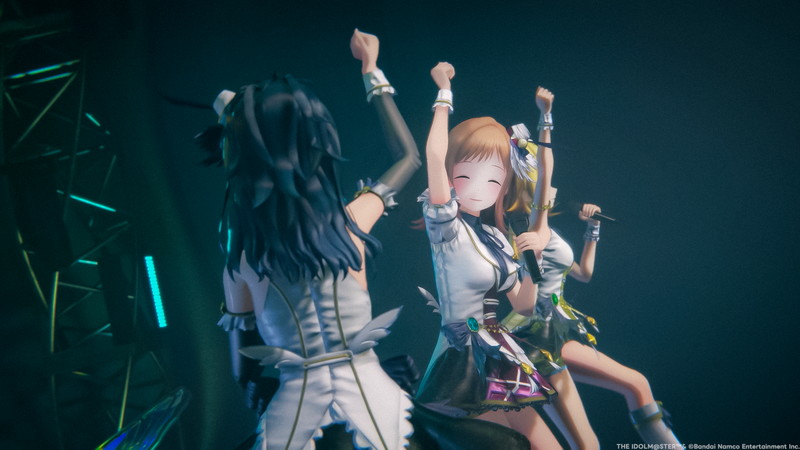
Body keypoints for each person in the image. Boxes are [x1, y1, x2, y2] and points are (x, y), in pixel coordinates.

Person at [208, 29, 420, 450]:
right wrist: (371, 70)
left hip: (295, 420)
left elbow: (244, 372)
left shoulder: (242, 262)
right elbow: (408, 157)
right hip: (380, 405)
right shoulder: (351, 220)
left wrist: (257, 388)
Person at [414, 61, 560, 447]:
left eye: (494, 179)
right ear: (450, 173)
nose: (481, 188)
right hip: (462, 359)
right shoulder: (447, 226)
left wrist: (533, 261)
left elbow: (524, 305)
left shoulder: (495, 238)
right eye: (467, 174)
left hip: (498, 351)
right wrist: (444, 92)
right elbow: (433, 154)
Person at [502, 145, 681, 447]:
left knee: (634, 387)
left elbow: (584, 273)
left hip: (557, 327)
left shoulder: (549, 233)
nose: (554, 191)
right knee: (594, 433)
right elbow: (544, 175)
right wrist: (545, 128)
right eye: (546, 185)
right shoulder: (528, 229)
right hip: (537, 334)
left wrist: (593, 228)